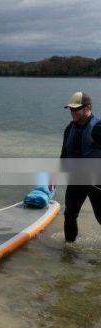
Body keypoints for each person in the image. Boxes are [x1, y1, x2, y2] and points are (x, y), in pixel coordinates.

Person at [61, 91, 101, 242]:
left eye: (76, 109)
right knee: (69, 215)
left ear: (88, 107)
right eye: (71, 109)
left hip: (96, 183)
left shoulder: (98, 128)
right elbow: (64, 155)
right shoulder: (69, 129)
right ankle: (69, 250)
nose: (72, 112)